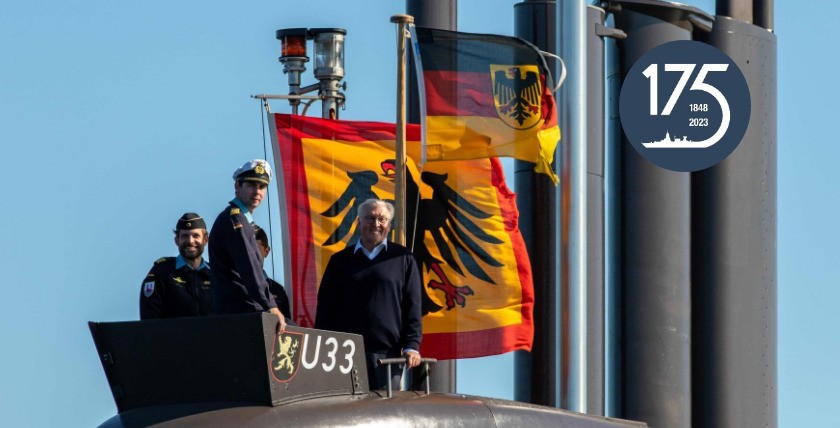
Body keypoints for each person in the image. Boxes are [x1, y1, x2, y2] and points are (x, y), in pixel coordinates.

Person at [315, 198, 422, 390]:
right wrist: (324, 348)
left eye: (382, 219)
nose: (376, 224)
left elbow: (412, 306)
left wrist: (411, 345)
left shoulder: (404, 259)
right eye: (370, 218)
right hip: (344, 354)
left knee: (386, 415)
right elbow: (326, 308)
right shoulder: (339, 261)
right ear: (359, 223)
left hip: (388, 355)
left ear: (389, 225)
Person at [209, 159, 285, 332]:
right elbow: (248, 265)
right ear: (238, 185)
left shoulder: (242, 220)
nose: (257, 191)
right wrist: (269, 305)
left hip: (245, 309)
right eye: (251, 184)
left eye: (262, 186)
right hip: (239, 312)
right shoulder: (235, 219)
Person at [140, 213, 213, 319]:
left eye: (196, 236)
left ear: (206, 239)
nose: (190, 241)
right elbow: (149, 319)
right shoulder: (161, 272)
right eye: (185, 236)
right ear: (176, 240)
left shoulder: (215, 274)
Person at [253, 225, 291, 320]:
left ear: (267, 251)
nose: (249, 256)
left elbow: (288, 329)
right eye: (244, 251)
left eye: (254, 251)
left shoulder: (278, 291)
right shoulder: (228, 287)